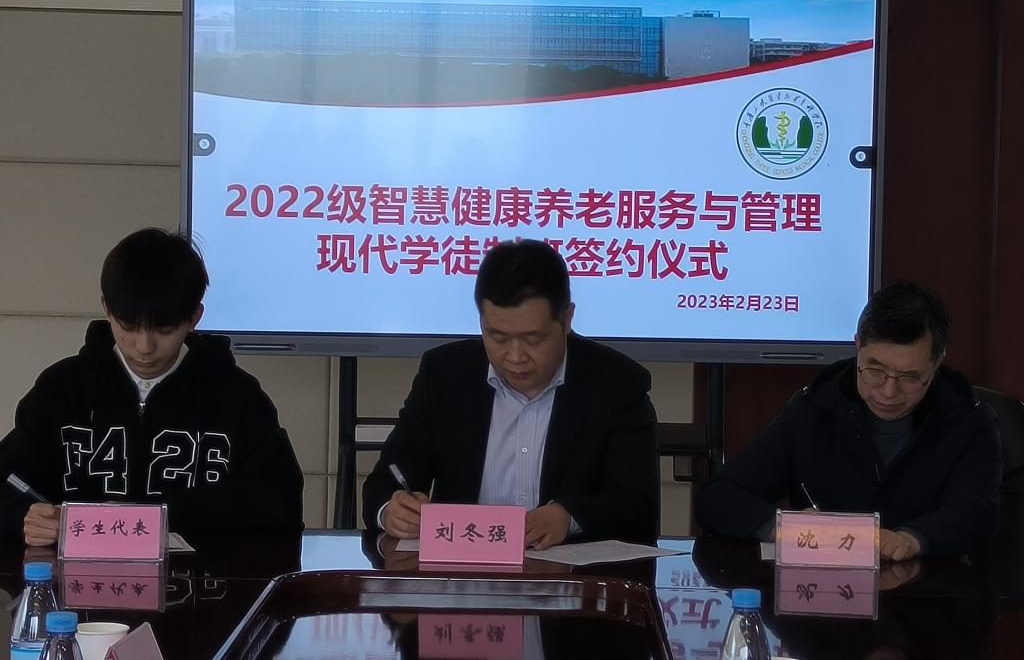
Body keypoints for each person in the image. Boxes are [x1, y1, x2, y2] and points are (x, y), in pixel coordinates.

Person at [0, 228, 304, 545]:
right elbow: (9, 483)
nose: (144, 347)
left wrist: (155, 515)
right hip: (77, 575)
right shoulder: (63, 389)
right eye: (128, 327)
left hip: (200, 576)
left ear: (194, 316)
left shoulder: (237, 397)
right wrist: (23, 516)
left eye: (165, 329)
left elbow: (279, 506)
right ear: (106, 308)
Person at [362, 239, 659, 549]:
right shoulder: (445, 375)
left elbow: (636, 503)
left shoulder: (616, 383)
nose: (515, 357)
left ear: (567, 319)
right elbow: (387, 478)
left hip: (570, 573)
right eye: (498, 337)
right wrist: (391, 510)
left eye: (533, 339)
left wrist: (567, 516)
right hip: (462, 571)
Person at [695, 282, 1001, 560]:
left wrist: (912, 539)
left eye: (910, 377)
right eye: (875, 370)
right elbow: (718, 497)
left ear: (937, 362)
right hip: (819, 591)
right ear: (858, 345)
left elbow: (977, 514)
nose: (888, 392)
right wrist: (781, 526)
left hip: (926, 592)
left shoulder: (968, 421)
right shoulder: (816, 408)